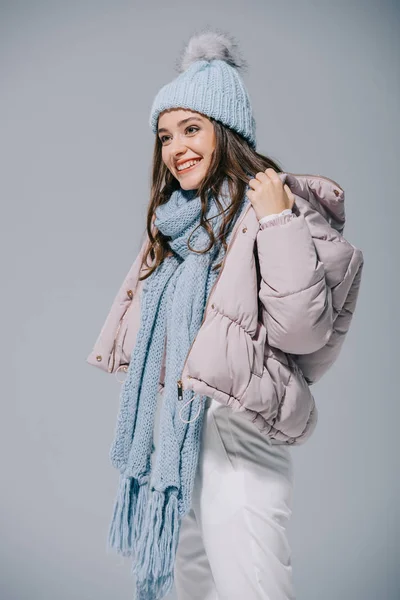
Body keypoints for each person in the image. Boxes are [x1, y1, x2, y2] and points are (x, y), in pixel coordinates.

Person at [87, 28, 364, 600]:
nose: (175, 148)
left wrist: (279, 221)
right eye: (165, 135)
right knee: (196, 589)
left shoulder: (275, 205)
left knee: (250, 588)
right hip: (182, 433)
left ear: (228, 132)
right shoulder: (177, 224)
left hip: (238, 435)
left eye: (192, 129)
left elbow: (305, 329)